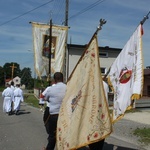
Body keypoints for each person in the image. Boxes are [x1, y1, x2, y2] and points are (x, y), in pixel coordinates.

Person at [44, 72, 66, 150]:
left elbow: (46, 98)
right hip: (65, 116)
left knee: (52, 135)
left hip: (54, 115)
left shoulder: (51, 89)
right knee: (64, 135)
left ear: (55, 79)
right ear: (62, 79)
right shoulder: (67, 88)